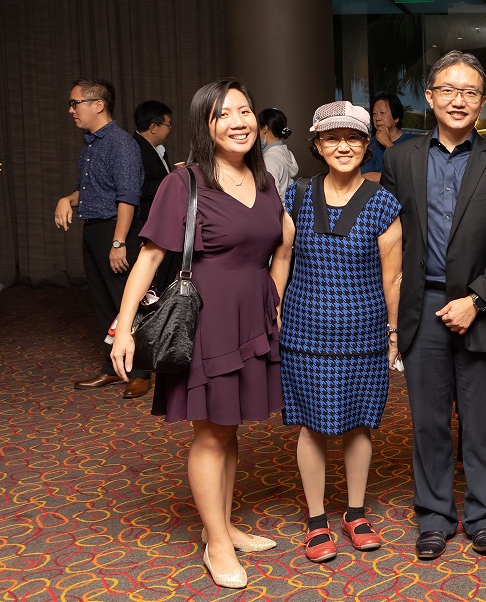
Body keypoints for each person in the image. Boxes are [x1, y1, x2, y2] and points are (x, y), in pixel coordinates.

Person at [110, 78, 284, 589]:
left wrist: (273, 303)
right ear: (205, 126)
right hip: (208, 321)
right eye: (222, 114)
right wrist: (124, 328)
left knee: (229, 427)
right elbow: (149, 258)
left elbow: (278, 245)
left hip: (252, 318)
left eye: (245, 111)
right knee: (210, 433)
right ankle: (217, 544)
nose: (238, 122)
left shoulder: (265, 181)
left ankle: (221, 526)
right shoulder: (184, 182)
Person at [381, 51, 486, 560]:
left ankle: (485, 517)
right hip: (421, 308)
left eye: (469, 92)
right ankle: (434, 517)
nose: (458, 100)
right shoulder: (401, 159)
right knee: (427, 422)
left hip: (481, 309)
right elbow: (391, 238)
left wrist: (477, 299)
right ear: (429, 97)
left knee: (482, 423)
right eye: (448, 90)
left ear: (482, 101)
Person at [271, 101, 402, 562]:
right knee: (311, 425)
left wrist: (393, 333)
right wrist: (275, 311)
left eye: (353, 138)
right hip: (304, 330)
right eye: (332, 138)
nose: (343, 146)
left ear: (366, 145)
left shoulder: (384, 202)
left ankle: (356, 512)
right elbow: (282, 257)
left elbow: (392, 277)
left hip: (364, 331)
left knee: (360, 423)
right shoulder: (297, 196)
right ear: (318, 145)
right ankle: (316, 520)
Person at [54, 78, 145, 396]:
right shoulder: (90, 144)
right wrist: (67, 199)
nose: (71, 110)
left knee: (126, 302)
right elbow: (94, 191)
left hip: (115, 229)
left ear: (98, 105)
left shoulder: (121, 143)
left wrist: (118, 242)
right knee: (103, 301)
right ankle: (114, 367)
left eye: (75, 103)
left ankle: (140, 371)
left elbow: (127, 197)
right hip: (93, 228)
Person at [124, 99, 175, 399]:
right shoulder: (135, 150)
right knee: (145, 295)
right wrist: (174, 182)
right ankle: (138, 367)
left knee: (160, 292)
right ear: (153, 126)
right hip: (144, 229)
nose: (169, 129)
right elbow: (136, 191)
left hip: (162, 230)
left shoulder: (158, 150)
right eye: (167, 124)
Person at [361, 93, 414, 181]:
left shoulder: (413, 142)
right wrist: (396, 178)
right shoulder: (369, 144)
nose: (377, 118)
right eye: (374, 113)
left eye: (382, 113)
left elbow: (411, 175)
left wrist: (388, 143)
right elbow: (365, 176)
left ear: (396, 118)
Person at [259, 108, 299, 200]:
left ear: (264, 129)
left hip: (278, 208)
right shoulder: (286, 152)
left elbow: (271, 198)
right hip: (288, 207)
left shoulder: (269, 160)